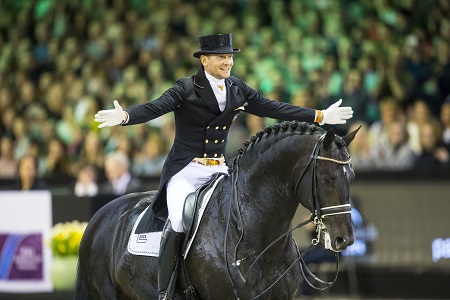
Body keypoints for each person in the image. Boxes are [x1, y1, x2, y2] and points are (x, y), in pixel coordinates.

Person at [94, 33, 353, 299]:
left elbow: (273, 108)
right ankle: (166, 288)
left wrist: (320, 115)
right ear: (204, 60)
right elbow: (156, 107)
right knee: (179, 219)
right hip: (186, 171)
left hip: (219, 169)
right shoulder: (186, 88)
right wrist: (126, 116)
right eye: (221, 57)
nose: (228, 62)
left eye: (229, 57)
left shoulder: (237, 88)